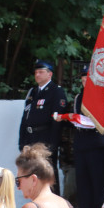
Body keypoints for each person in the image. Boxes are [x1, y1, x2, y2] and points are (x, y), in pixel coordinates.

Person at [60, 66, 104, 208]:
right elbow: (77, 117)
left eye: (86, 80)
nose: (84, 83)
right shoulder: (78, 97)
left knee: (97, 178)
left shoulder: (101, 96)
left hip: (96, 141)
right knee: (83, 178)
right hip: (81, 141)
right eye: (82, 80)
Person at [18, 59, 68, 192]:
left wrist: (53, 143)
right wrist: (22, 142)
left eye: (41, 72)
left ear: (49, 74)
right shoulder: (32, 92)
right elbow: (25, 118)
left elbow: (57, 120)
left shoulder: (56, 91)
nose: (37, 75)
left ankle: (53, 202)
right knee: (32, 172)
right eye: (36, 72)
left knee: (47, 171)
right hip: (30, 138)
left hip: (45, 138)